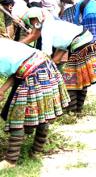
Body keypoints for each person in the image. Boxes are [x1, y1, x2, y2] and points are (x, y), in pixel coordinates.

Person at [0, 38, 70, 169]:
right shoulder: (4, 43)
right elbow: (17, 70)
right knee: (42, 112)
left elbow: (20, 69)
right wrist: (2, 90)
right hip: (47, 66)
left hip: (34, 74)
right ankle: (36, 151)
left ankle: (10, 161)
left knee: (17, 117)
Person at [20, 7, 96, 113]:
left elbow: (46, 53)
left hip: (81, 44)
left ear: (40, 17)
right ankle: (77, 109)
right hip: (85, 40)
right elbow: (63, 44)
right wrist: (54, 62)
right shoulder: (51, 22)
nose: (34, 23)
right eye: (32, 21)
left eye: (35, 20)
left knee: (70, 80)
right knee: (80, 78)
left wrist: (40, 68)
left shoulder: (47, 28)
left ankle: (71, 110)